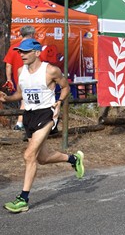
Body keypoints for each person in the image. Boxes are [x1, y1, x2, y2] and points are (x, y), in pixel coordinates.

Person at [0, 39, 84, 213]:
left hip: (46, 113)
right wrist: (6, 99)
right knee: (42, 158)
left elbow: (66, 87)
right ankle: (73, 159)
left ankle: (23, 199)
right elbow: (20, 94)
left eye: (25, 51)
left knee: (29, 154)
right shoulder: (20, 71)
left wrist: (60, 101)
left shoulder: (51, 70)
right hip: (29, 115)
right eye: (20, 52)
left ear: (37, 53)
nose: (21, 54)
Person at [3, 25, 36, 131]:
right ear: (31, 34)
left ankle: (23, 122)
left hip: (18, 78)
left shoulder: (14, 47)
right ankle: (20, 123)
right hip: (31, 76)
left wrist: (9, 79)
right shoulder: (34, 47)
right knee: (25, 100)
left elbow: (8, 65)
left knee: (24, 99)